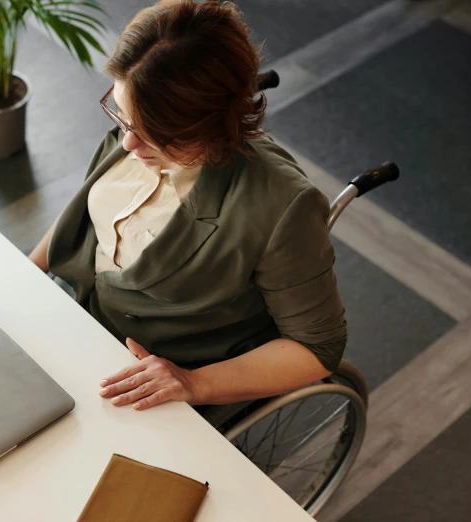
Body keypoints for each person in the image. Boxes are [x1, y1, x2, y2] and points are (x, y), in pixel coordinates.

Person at [29, 0, 347, 412]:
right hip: (80, 322)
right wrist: (29, 270)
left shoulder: (283, 206)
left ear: (213, 121)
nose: (127, 143)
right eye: (123, 117)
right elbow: (86, 215)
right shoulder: (138, 126)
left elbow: (317, 348)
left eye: (153, 132)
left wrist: (193, 383)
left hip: (152, 377)